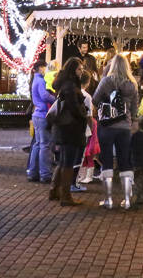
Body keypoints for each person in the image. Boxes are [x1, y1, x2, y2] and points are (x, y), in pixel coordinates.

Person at [92, 53, 139, 209]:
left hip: (107, 126)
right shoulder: (132, 84)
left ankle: (108, 200)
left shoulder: (106, 81)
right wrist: (134, 122)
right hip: (125, 127)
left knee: (106, 160)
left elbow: (95, 100)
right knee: (125, 160)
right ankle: (126, 200)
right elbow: (135, 108)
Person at [47, 57, 89, 206]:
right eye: (79, 69)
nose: (81, 71)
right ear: (72, 70)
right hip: (71, 128)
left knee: (64, 160)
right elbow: (74, 108)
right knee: (68, 162)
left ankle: (54, 190)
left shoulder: (65, 84)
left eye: (82, 69)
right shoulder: (70, 86)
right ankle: (66, 196)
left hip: (64, 127)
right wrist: (84, 114)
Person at [27, 61, 55, 183]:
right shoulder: (40, 81)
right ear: (40, 68)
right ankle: (45, 174)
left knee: (37, 144)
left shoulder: (35, 80)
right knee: (45, 145)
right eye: (45, 67)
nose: (46, 70)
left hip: (36, 115)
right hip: (43, 115)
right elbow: (44, 96)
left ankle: (33, 172)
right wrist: (55, 99)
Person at [74, 70, 98, 192]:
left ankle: (79, 177)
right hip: (84, 129)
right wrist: (92, 128)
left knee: (76, 155)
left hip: (73, 127)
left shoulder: (72, 92)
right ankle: (78, 179)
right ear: (88, 82)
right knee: (82, 155)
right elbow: (89, 116)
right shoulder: (87, 96)